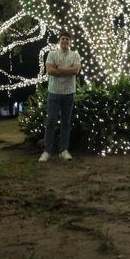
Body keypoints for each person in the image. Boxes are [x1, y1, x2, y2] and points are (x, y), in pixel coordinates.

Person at [39, 30, 81, 162]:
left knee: (65, 123)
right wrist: (67, 70)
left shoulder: (75, 55)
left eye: (67, 39)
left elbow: (75, 70)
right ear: (59, 41)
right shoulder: (51, 54)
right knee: (51, 121)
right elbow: (50, 71)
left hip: (69, 92)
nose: (65, 41)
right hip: (54, 92)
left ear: (70, 42)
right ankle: (47, 151)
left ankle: (63, 150)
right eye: (63, 39)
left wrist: (59, 69)